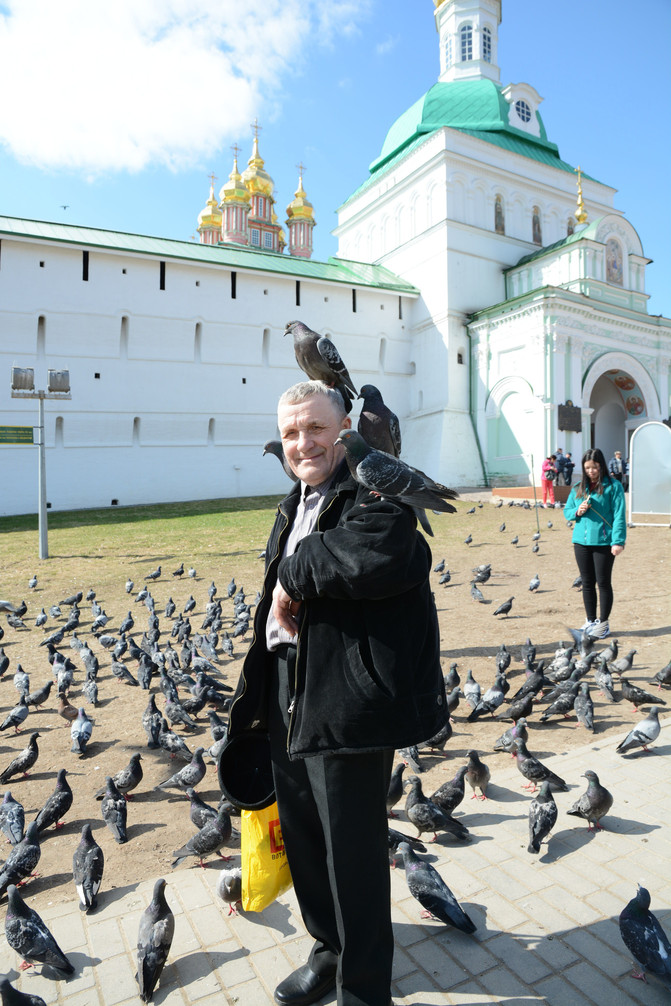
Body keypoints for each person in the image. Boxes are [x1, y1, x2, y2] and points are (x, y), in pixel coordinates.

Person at [227, 380, 446, 1006]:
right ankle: (328, 948)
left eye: (316, 429)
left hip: (347, 695)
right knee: (303, 832)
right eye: (292, 433)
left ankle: (365, 987)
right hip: (287, 683)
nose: (303, 443)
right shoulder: (295, 498)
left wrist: (294, 577)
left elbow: (382, 550)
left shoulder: (374, 487)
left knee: (352, 850)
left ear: (344, 425)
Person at [564, 447, 626, 639]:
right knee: (587, 583)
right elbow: (567, 511)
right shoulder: (578, 488)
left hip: (604, 542)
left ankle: (603, 623)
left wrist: (618, 541)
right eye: (588, 467)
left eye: (595, 467)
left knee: (603, 582)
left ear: (602, 467)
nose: (591, 471)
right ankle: (590, 621)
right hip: (581, 542)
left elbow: (619, 516)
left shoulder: (613, 487)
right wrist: (577, 511)